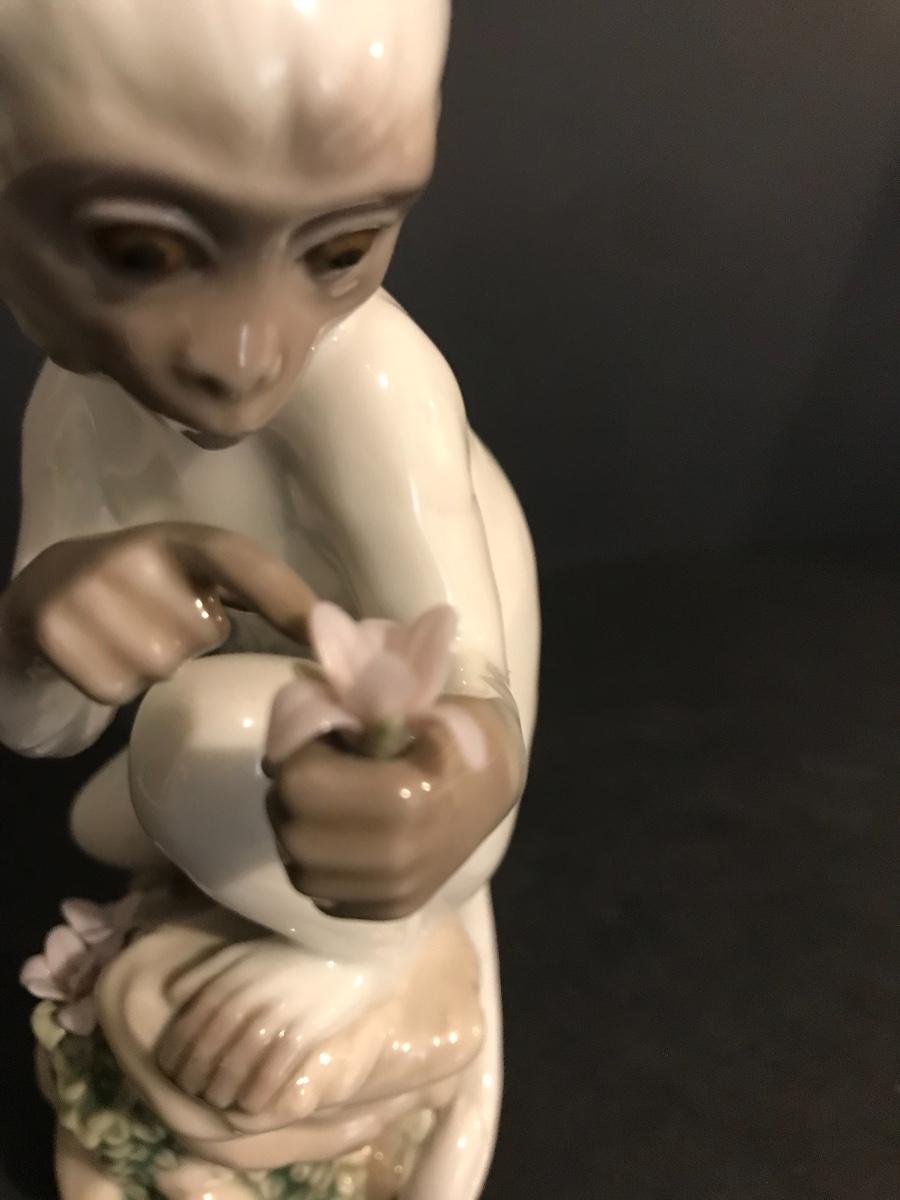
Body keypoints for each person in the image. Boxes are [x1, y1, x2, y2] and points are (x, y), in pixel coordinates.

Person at [0, 2, 540, 1192]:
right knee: (107, 815)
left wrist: (435, 798)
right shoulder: (75, 416)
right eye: (142, 253)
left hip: (387, 783)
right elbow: (39, 728)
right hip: (266, 749)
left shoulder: (373, 382)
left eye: (338, 251)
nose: (247, 357)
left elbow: (476, 691)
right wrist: (42, 624)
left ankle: (371, 965)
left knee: (181, 738)